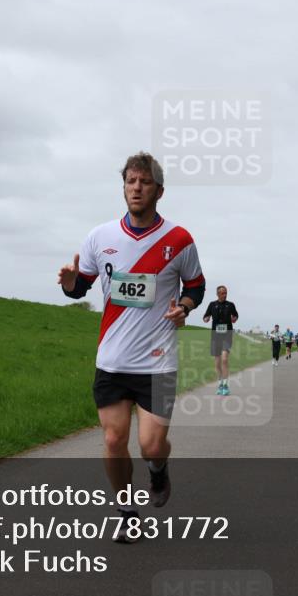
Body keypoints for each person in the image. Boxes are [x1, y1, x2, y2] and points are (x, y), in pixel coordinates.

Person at [58, 151, 205, 543]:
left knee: (152, 445)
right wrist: (70, 284)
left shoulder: (179, 240)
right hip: (112, 360)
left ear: (159, 190)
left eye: (144, 182)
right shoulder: (100, 237)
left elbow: (196, 286)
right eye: (130, 182)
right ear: (123, 187)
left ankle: (158, 470)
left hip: (158, 363)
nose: (136, 188)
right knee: (112, 440)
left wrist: (185, 306)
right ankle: (126, 513)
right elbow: (80, 287)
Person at [202, 285, 239, 395]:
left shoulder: (230, 305)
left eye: (226, 292)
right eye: (222, 293)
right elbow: (205, 317)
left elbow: (235, 316)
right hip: (215, 336)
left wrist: (234, 318)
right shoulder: (212, 305)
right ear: (218, 294)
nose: (225, 295)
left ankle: (226, 386)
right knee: (217, 363)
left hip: (227, 335)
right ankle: (220, 384)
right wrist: (206, 318)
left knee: (224, 359)